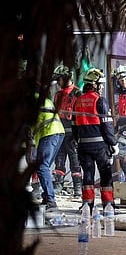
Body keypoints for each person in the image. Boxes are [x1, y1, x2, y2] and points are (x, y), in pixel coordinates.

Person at [72, 68, 118, 210]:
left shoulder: (77, 101)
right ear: (94, 84)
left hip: (83, 146)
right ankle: (108, 204)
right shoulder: (100, 101)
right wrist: (113, 143)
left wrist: (78, 141)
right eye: (100, 84)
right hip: (100, 146)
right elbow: (107, 124)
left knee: (88, 175)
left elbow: (74, 127)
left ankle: (87, 204)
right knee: (105, 173)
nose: (102, 87)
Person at [52, 64, 83, 197]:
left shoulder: (77, 93)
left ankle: (77, 187)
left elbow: (81, 116)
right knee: (59, 160)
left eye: (59, 79)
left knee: (75, 161)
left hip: (73, 133)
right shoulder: (58, 95)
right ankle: (58, 185)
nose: (58, 82)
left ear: (66, 78)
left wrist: (79, 135)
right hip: (59, 132)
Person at [30, 94, 65, 211]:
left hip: (49, 133)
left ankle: (51, 200)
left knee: (42, 167)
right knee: (45, 166)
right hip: (57, 131)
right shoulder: (41, 97)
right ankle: (47, 196)